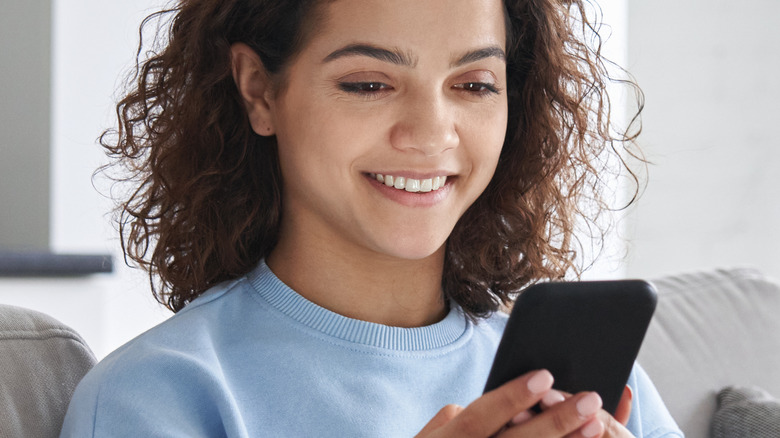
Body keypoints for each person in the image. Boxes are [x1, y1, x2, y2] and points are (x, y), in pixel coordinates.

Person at [61, 0, 683, 436]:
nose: (431, 134)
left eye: (474, 85)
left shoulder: (586, 395)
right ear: (259, 90)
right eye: (367, 84)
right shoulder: (157, 396)